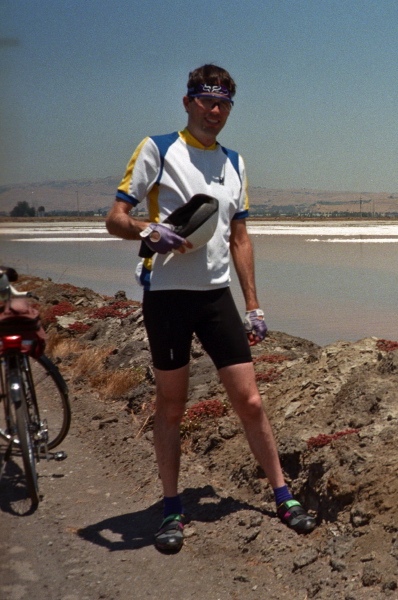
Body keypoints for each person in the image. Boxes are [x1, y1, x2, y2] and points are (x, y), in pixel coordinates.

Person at [105, 64, 315, 553]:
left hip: (216, 297)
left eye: (223, 103)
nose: (215, 110)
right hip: (168, 299)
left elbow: (239, 238)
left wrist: (255, 306)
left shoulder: (235, 162)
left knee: (251, 402)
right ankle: (172, 508)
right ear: (187, 102)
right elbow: (115, 217)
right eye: (206, 100)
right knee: (172, 407)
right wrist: (148, 232)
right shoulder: (158, 149)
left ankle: (283, 496)